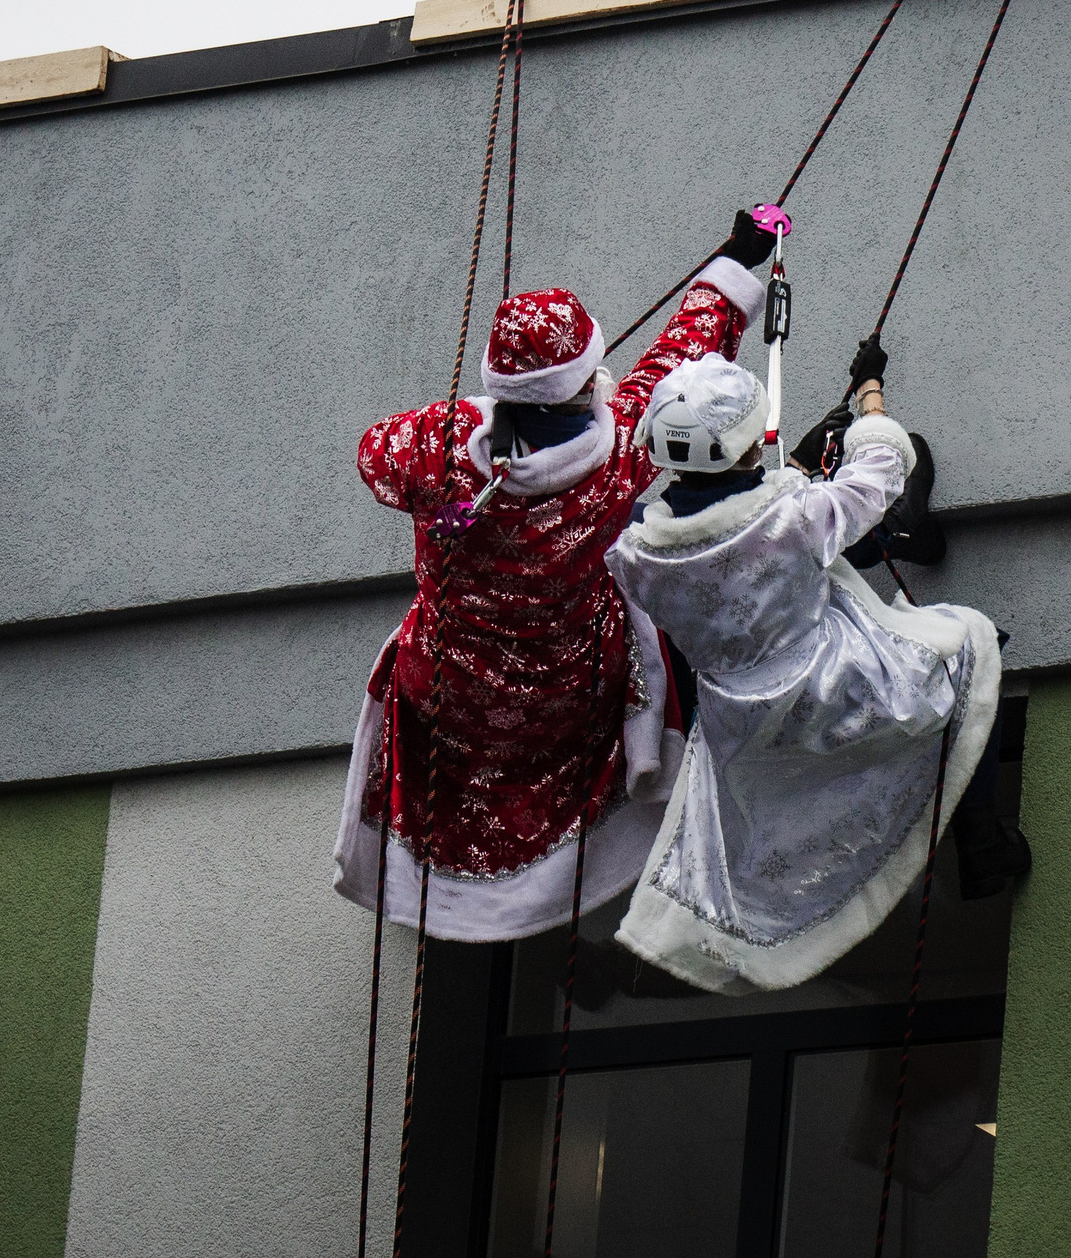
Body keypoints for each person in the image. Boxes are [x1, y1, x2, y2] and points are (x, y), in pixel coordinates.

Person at [331, 214, 774, 941]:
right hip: (565, 697)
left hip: (452, 694)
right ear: (581, 382)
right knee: (646, 573)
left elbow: (373, 452)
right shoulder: (614, 460)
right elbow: (678, 361)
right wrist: (736, 258)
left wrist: (471, 424)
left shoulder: (437, 449)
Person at [604, 341, 1005, 994]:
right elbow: (878, 470)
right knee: (969, 656)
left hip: (740, 724)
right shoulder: (794, 516)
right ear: (740, 449)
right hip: (834, 687)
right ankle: (984, 843)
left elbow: (721, 542)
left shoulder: (636, 556)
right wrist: (871, 395)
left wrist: (789, 467)